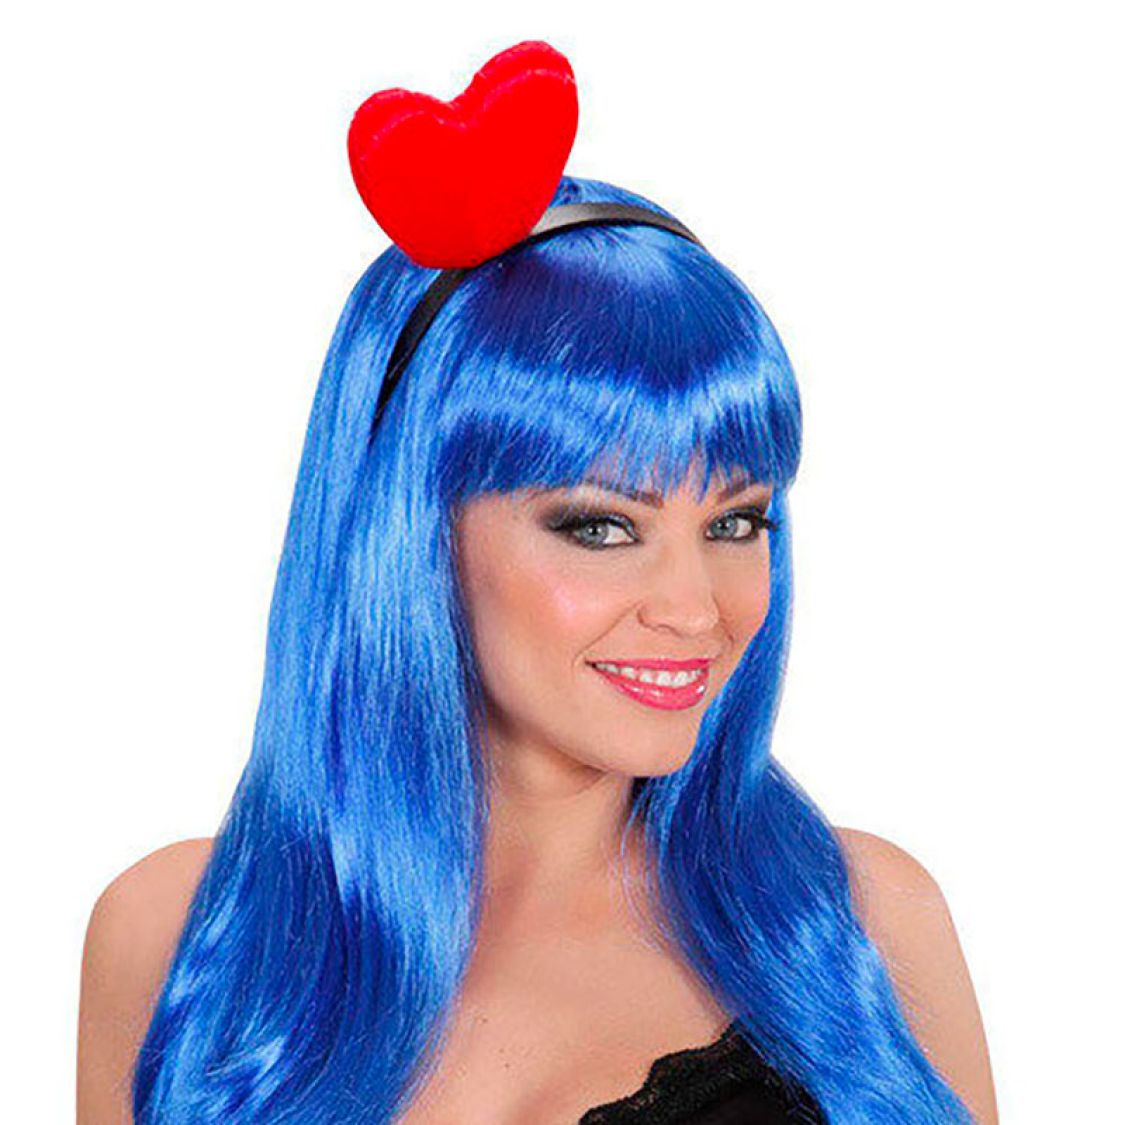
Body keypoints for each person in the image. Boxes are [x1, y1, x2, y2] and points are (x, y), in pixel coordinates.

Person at [77, 41, 997, 1124]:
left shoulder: (858, 932)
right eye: (602, 526)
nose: (696, 608)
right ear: (412, 538)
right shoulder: (181, 938)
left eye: (735, 521)